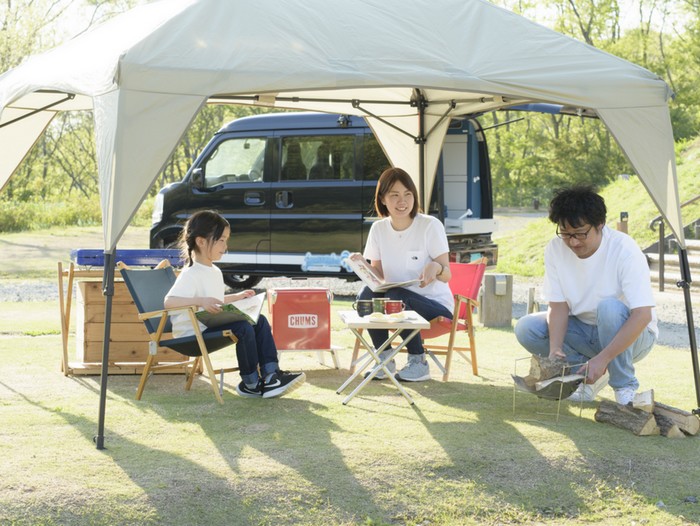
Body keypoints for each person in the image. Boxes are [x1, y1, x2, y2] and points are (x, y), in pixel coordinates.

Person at [514, 185, 657, 405]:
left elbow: (642, 315)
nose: (573, 242)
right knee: (527, 328)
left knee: (609, 308)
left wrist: (603, 358)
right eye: (566, 233)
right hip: (585, 331)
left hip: (634, 336)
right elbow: (558, 306)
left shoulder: (624, 249)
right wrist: (555, 349)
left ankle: (624, 386)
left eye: (580, 233)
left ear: (600, 224)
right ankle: (583, 377)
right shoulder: (555, 249)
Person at [165, 210, 305, 399]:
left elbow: (215, 301)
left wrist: (237, 297)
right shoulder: (191, 273)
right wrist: (201, 301)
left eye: (226, 240)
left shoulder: (213, 270)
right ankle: (251, 383)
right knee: (243, 326)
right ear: (201, 241)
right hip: (193, 333)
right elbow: (169, 302)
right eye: (221, 240)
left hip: (207, 324)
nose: (226, 246)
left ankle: (272, 375)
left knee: (259, 320)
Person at [357, 167, 454, 382]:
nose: (402, 201)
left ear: (414, 196)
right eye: (394, 195)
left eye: (407, 194)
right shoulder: (378, 229)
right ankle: (384, 359)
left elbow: (447, 275)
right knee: (365, 295)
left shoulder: (430, 225)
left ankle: (418, 362)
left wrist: (435, 268)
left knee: (395, 296)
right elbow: (378, 278)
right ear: (383, 199)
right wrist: (362, 267)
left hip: (433, 305)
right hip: (397, 302)